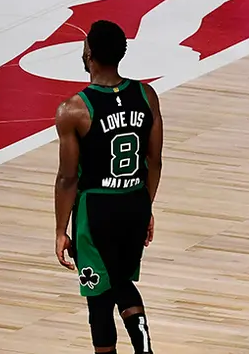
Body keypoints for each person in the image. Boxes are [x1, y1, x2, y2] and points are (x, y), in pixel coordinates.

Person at [54, 20, 164, 354]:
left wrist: (61, 229)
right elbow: (154, 161)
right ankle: (143, 348)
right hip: (133, 202)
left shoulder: (73, 109)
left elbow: (68, 177)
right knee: (121, 282)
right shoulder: (146, 94)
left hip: (96, 211)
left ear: (89, 54)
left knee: (98, 298)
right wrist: (146, 206)